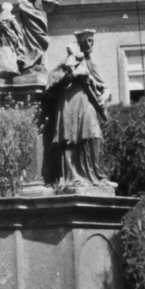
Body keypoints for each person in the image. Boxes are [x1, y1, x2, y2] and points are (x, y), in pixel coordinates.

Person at [48, 29, 109, 187]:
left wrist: (106, 94)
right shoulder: (68, 60)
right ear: (80, 43)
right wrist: (74, 74)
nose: (90, 44)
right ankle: (73, 176)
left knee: (93, 134)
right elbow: (52, 79)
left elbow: (104, 85)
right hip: (70, 102)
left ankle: (94, 176)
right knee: (70, 137)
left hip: (87, 103)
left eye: (92, 41)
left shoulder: (92, 62)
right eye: (87, 41)